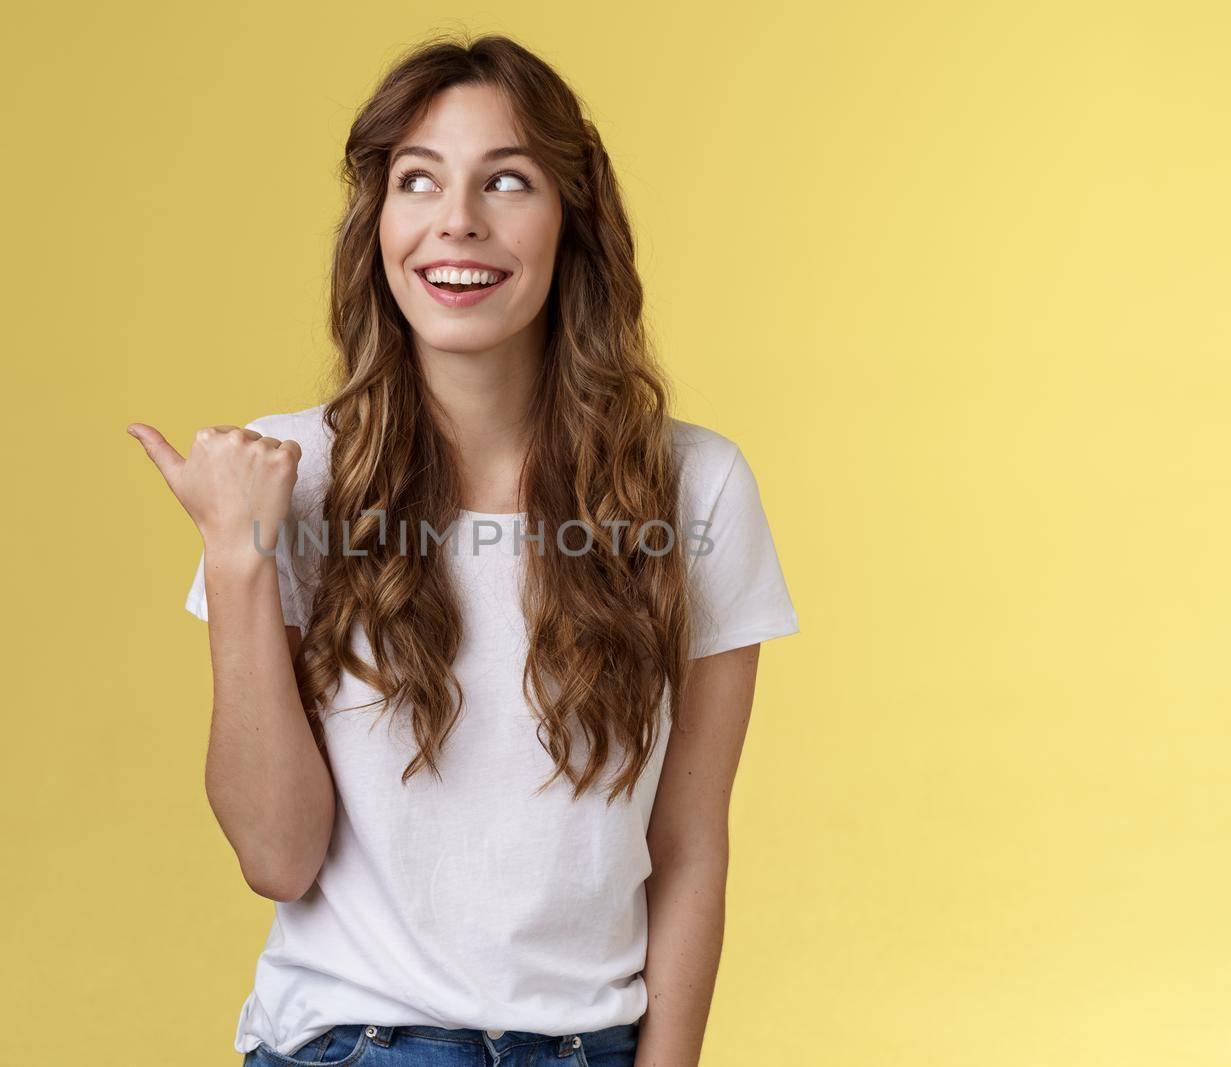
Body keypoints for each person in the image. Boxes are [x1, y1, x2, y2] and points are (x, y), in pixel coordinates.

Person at [126, 33, 799, 1067]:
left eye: (508, 181)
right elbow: (276, 852)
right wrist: (237, 555)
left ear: (571, 219)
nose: (457, 222)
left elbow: (689, 844)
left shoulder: (692, 486)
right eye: (418, 180)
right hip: (350, 1042)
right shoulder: (290, 470)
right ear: (379, 222)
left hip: (592, 1046)